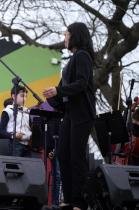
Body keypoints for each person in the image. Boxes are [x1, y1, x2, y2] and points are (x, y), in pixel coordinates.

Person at [43, 22, 96, 210]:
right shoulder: (72, 60)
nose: (64, 38)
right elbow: (63, 91)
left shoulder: (82, 56)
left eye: (66, 34)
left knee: (76, 156)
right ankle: (69, 199)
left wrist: (57, 90)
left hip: (82, 113)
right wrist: (53, 97)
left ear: (75, 36)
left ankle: (79, 201)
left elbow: (81, 84)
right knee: (63, 154)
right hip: (70, 114)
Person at [0, 85, 38, 158]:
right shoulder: (7, 111)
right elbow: (0, 131)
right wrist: (14, 135)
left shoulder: (27, 111)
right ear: (13, 96)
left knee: (28, 167)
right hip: (14, 144)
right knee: (15, 167)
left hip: (28, 145)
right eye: (22, 96)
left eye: (26, 96)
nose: (24, 99)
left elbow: (29, 128)